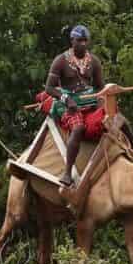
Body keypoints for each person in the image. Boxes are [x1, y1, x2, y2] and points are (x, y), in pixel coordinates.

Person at [42, 25, 106, 186]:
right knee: (78, 128)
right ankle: (67, 172)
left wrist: (100, 103)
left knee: (114, 119)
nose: (83, 44)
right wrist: (66, 99)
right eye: (79, 40)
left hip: (88, 100)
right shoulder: (61, 60)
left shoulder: (94, 61)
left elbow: (100, 87)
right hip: (67, 103)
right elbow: (49, 88)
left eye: (85, 40)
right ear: (72, 41)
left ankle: (130, 153)